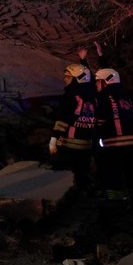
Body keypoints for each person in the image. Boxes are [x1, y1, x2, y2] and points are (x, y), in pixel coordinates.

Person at [94, 68, 133, 212]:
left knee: (113, 174)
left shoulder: (104, 96)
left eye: (98, 82)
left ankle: (115, 204)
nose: (96, 85)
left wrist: (96, 137)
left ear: (105, 82)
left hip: (114, 144)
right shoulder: (125, 95)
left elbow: (100, 121)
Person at [49, 63, 96, 192]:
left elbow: (63, 118)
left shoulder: (70, 95)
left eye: (68, 77)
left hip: (68, 145)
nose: (65, 79)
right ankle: (80, 199)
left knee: (62, 177)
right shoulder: (92, 96)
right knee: (81, 176)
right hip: (86, 146)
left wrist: (54, 139)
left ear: (76, 79)